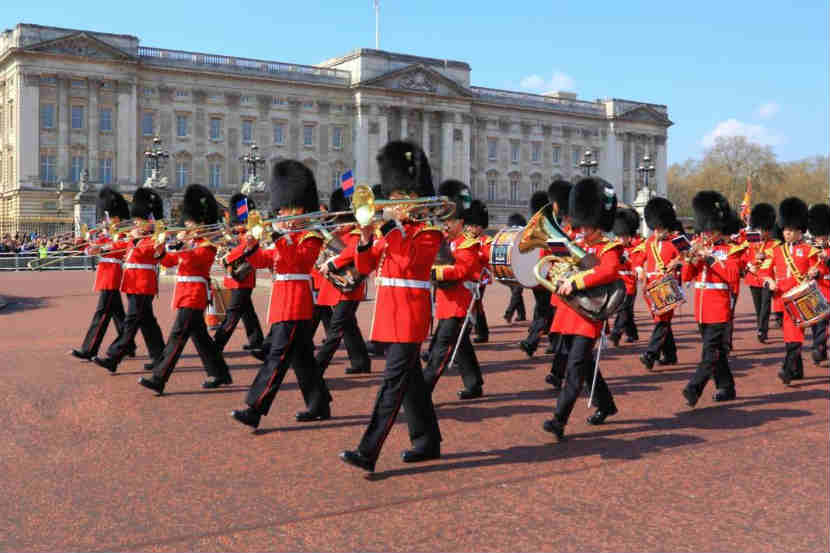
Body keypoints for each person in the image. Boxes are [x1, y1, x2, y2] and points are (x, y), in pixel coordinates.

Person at [340, 141, 443, 473]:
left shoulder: (429, 232)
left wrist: (387, 227)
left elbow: (409, 260)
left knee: (392, 385)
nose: (395, 202)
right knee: (411, 383)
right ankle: (428, 441)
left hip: (411, 315)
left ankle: (367, 451)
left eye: (402, 196)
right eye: (394, 195)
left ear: (415, 198)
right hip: (390, 314)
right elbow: (365, 265)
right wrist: (367, 237)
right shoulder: (392, 232)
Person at [230, 160, 332, 429]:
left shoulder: (311, 236)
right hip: (283, 301)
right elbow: (268, 259)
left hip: (296, 302)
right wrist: (250, 248)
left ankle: (255, 408)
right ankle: (319, 402)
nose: (284, 213)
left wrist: (279, 237)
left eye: (290, 208)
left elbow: (298, 262)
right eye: (283, 208)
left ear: (302, 209)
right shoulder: (287, 236)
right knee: (302, 359)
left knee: (277, 357)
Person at [542, 177, 621, 441]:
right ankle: (606, 404)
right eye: (582, 225)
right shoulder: (576, 242)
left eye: (588, 226)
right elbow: (556, 263)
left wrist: (576, 280)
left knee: (574, 369)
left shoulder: (609, 247)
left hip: (588, 316)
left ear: (599, 223)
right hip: (568, 312)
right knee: (585, 366)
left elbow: (609, 270)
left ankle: (559, 419)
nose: (583, 230)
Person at [138, 184, 233, 394]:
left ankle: (159, 377)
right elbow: (172, 262)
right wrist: (161, 252)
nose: (186, 225)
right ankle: (220, 373)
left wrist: (184, 246)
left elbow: (196, 261)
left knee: (178, 335)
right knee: (200, 337)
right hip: (184, 292)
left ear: (200, 222)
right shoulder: (191, 241)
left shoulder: (207, 242)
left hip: (195, 293)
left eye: (189, 221)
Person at [93, 188, 166, 373]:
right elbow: (118, 247)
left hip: (143, 285)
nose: (135, 223)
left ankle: (113, 357)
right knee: (147, 322)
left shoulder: (155, 238)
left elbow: (148, 254)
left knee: (131, 321)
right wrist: (100, 248)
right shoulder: (137, 236)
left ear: (150, 220)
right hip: (133, 283)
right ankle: (159, 357)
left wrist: (134, 240)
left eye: (139, 220)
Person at [423, 179, 484, 399]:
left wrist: (435, 272)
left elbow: (461, 271)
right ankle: (474, 383)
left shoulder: (468, 244)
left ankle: (423, 391)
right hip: (447, 301)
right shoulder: (447, 243)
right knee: (462, 345)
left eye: (448, 221)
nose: (445, 226)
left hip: (459, 303)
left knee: (441, 351)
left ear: (459, 221)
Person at [680, 191, 741, 406]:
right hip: (702, 309)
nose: (708, 234)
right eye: (706, 230)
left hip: (719, 309)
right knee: (717, 354)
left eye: (711, 230)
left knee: (709, 354)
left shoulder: (730, 250)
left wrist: (711, 259)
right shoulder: (700, 247)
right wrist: (691, 259)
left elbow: (733, 276)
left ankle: (693, 389)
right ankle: (727, 387)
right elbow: (686, 277)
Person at [759, 198, 824, 384]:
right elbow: (764, 271)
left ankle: (787, 371)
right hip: (782, 298)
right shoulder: (776, 251)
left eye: (790, 231)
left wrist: (815, 272)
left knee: (795, 336)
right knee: (789, 336)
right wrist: (769, 281)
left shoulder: (809, 250)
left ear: (799, 231)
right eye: (785, 230)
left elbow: (818, 269)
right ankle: (797, 371)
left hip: (802, 298)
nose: (786, 234)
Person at [71, 187, 136, 361]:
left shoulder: (124, 232)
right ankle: (129, 345)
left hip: (113, 274)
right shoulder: (106, 233)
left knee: (102, 313)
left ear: (117, 217)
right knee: (116, 313)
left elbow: (121, 248)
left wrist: (100, 247)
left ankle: (89, 349)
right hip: (105, 273)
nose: (106, 220)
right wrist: (84, 246)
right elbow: (95, 246)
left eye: (109, 217)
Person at [316, 188, 372, 375]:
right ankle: (361, 362)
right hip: (336, 285)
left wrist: (332, 264)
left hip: (350, 287)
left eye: (341, 220)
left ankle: (318, 365)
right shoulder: (336, 235)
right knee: (349, 327)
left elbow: (351, 252)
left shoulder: (357, 234)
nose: (338, 224)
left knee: (336, 329)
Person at [212, 193, 265, 356]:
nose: (236, 226)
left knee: (232, 314)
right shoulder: (239, 234)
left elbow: (242, 251)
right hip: (235, 278)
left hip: (243, 278)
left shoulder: (251, 234)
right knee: (247, 312)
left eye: (239, 222)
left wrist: (227, 257)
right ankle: (257, 342)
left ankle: (216, 345)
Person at [634, 197, 682, 370]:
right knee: (662, 320)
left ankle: (650, 354)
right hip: (651, 286)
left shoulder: (676, 240)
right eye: (656, 228)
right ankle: (670, 355)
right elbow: (637, 258)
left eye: (660, 228)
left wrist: (677, 262)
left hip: (667, 284)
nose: (657, 231)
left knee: (661, 320)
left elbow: (689, 257)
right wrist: (639, 268)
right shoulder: (649, 243)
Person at [743, 203, 779, 343]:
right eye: (759, 229)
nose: (761, 232)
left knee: (765, 305)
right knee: (758, 307)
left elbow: (775, 260)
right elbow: (744, 257)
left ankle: (762, 330)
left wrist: (765, 258)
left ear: (768, 230)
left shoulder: (774, 244)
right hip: (753, 278)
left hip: (767, 278)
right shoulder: (751, 241)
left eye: (763, 230)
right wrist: (748, 266)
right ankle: (760, 325)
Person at [609, 208, 641, 347]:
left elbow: (636, 263)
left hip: (629, 285)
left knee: (622, 310)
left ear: (629, 236)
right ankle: (632, 333)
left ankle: (615, 334)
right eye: (619, 236)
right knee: (627, 311)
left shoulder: (635, 248)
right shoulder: (613, 248)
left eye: (624, 236)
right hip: (617, 284)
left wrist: (626, 260)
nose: (621, 239)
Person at [807, 203, 830, 365]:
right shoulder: (810, 250)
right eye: (819, 236)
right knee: (817, 325)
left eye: (824, 236)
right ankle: (820, 349)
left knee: (825, 326)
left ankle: (817, 347)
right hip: (816, 292)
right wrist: (811, 273)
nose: (821, 239)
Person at [502, 212, 527, 324]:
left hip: (522, 268)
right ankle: (521, 314)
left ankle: (509, 312)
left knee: (516, 291)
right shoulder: (511, 236)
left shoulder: (524, 236)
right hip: (512, 266)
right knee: (515, 291)